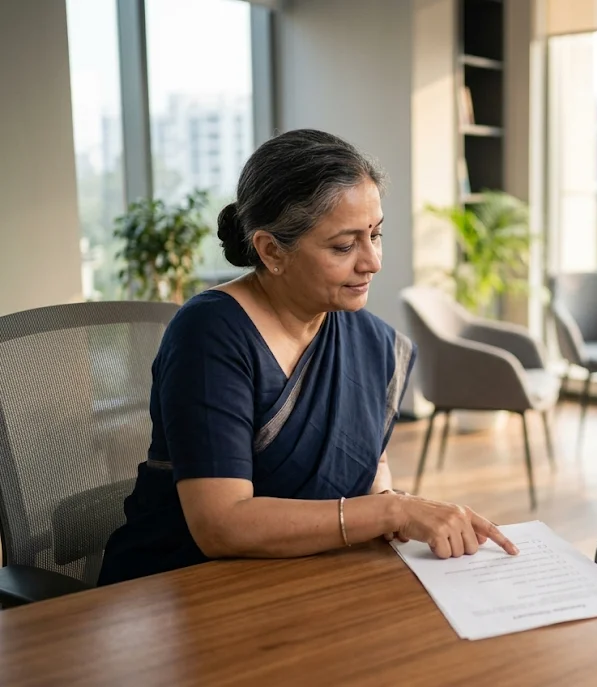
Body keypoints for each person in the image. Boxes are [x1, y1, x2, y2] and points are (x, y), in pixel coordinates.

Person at [98, 129, 517, 586]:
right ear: (271, 250)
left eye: (376, 235)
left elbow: (371, 487)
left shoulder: (370, 341)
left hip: (312, 582)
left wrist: (406, 513)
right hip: (182, 592)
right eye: (344, 246)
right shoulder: (211, 335)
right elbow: (220, 525)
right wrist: (391, 509)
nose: (372, 261)